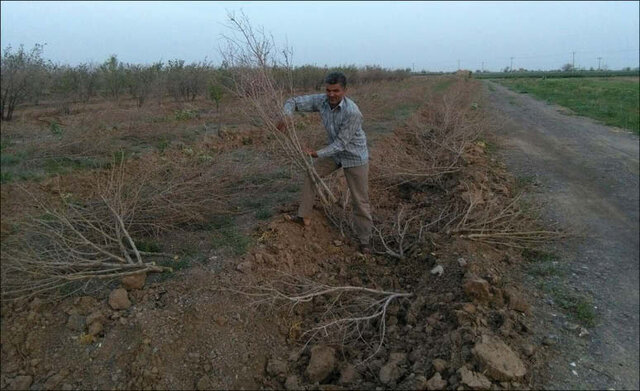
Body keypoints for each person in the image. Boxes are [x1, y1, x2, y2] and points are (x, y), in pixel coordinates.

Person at [278, 72, 372, 254]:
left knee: (360, 200)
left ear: (345, 90)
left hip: (354, 156)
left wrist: (317, 153)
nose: (331, 94)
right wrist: (286, 116)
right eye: (328, 90)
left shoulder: (353, 113)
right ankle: (303, 215)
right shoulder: (322, 101)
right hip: (334, 154)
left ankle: (365, 240)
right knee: (311, 174)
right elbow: (293, 102)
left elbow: (341, 144)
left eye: (336, 90)